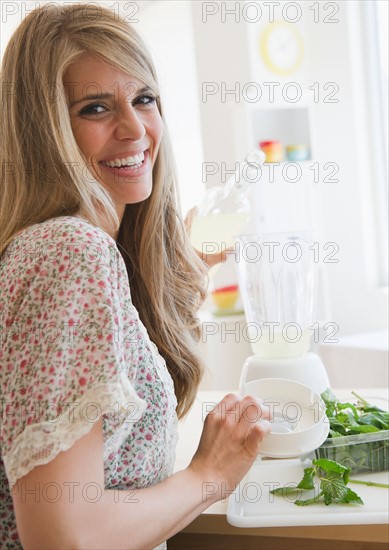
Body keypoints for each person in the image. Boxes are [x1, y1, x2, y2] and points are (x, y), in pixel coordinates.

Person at [0, 4, 271, 549]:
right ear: (44, 129)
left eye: (144, 99)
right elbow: (64, 536)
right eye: (95, 108)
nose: (134, 129)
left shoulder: (52, 250)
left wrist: (187, 269)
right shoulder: (70, 252)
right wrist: (209, 477)